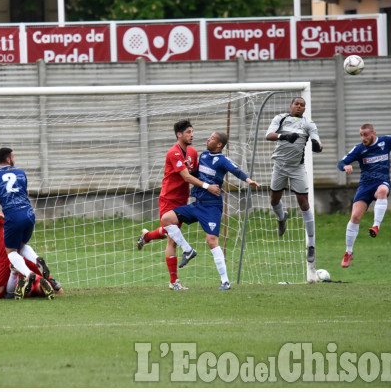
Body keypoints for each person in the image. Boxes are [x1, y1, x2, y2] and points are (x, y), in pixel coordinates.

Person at [160, 131, 259, 290]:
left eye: (212, 138)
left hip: (212, 206)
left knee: (212, 241)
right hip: (197, 204)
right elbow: (198, 174)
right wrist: (189, 169)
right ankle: (188, 250)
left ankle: (225, 281)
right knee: (166, 219)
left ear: (219, 144)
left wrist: (248, 180)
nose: (208, 139)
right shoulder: (204, 156)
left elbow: (236, 170)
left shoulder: (222, 160)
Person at [135, 120, 221, 291]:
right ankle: (174, 281)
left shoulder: (193, 152)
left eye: (192, 131)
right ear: (179, 135)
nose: (192, 135)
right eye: (188, 132)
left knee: (169, 233)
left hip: (182, 199)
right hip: (168, 199)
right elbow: (187, 177)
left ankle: (147, 237)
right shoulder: (173, 153)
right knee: (172, 239)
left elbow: (196, 173)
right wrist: (207, 187)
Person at [0, 148, 55, 300]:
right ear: (8, 159)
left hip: (12, 215)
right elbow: (21, 192)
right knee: (21, 246)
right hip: (29, 213)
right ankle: (36, 258)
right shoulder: (21, 172)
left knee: (11, 251)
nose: (14, 159)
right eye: (13, 156)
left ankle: (29, 273)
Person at [337, 124, 391, 268]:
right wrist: (345, 166)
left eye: (366, 134)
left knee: (383, 190)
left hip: (381, 182)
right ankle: (348, 252)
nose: (363, 138)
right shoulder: (359, 149)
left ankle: (376, 226)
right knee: (354, 218)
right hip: (365, 186)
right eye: (361, 135)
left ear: (373, 133)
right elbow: (341, 162)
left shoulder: (386, 141)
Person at [265, 96, 322, 264]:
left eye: (302, 105)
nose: (299, 107)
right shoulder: (280, 118)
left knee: (304, 203)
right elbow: (269, 135)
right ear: (291, 106)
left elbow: (318, 142)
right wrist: (285, 136)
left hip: (297, 168)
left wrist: (317, 146)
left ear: (305, 109)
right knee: (274, 200)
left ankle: (311, 245)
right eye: (296, 104)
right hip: (280, 165)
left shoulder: (308, 124)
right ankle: (282, 217)